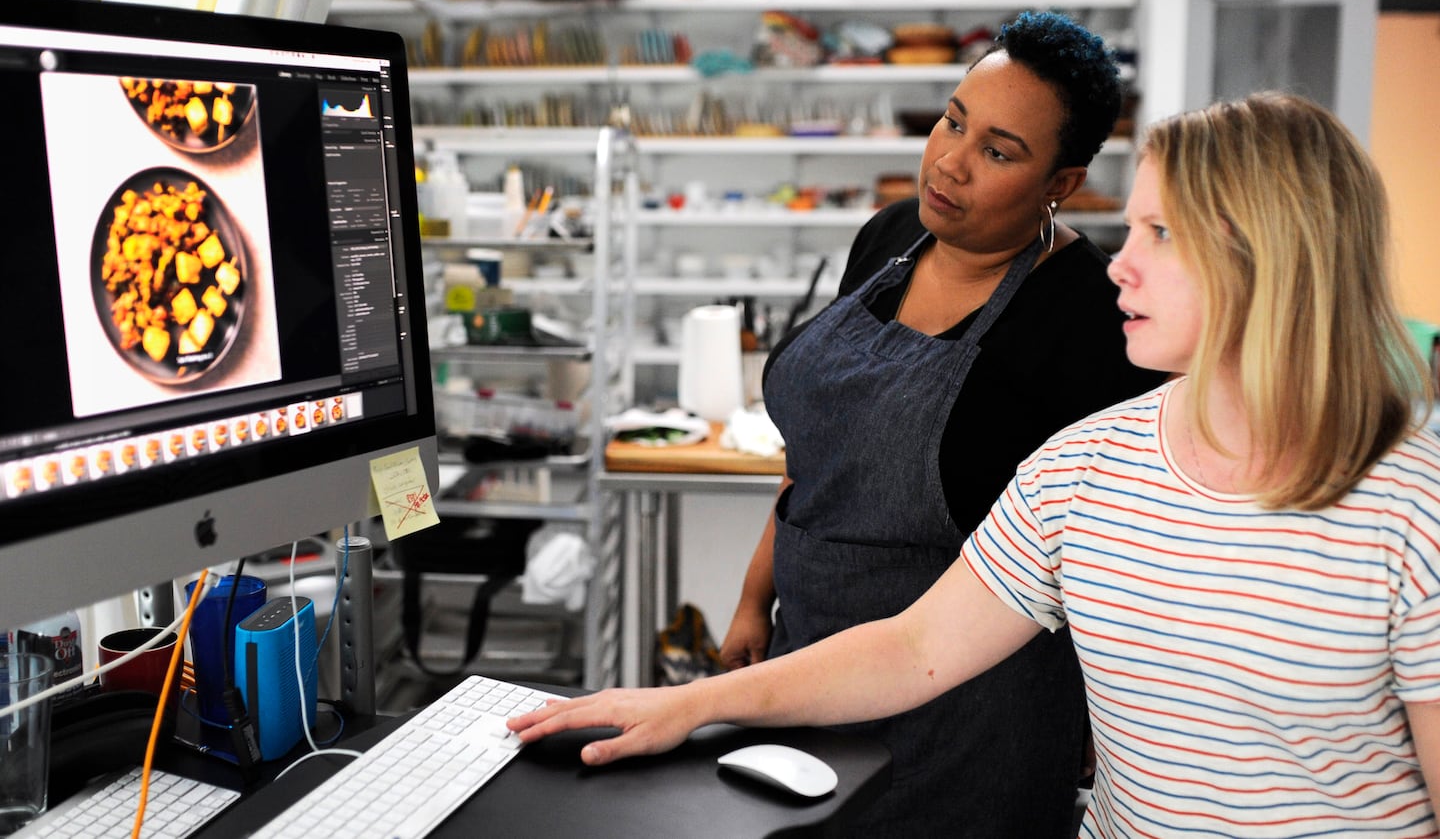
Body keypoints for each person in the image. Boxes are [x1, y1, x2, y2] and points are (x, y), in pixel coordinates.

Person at [512, 92, 1440, 838]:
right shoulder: (1087, 469)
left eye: (1162, 235)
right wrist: (689, 706)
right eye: (1129, 229)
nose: (1120, 266)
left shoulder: (1411, 509)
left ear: (1272, 258)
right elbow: (913, 646)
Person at [716, 9, 1165, 836]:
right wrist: (755, 597)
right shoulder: (891, 237)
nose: (949, 162)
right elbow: (816, 458)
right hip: (805, 666)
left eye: (997, 151)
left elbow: (1117, 547)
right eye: (952, 121)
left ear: (1060, 183)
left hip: (973, 716)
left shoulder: (1094, 316)